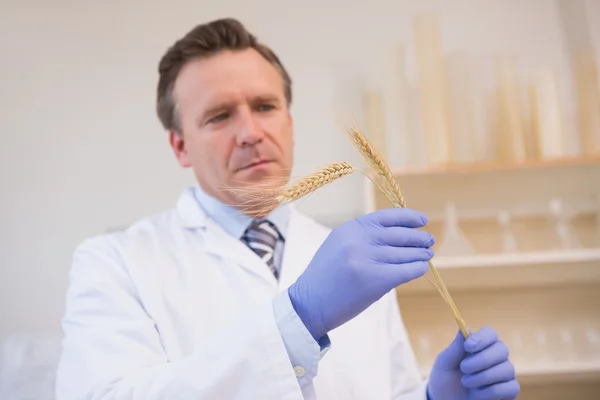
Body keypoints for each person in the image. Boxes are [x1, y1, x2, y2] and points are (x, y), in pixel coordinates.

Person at [55, 17, 520, 400]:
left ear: (290, 122)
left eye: (265, 106)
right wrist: (298, 318)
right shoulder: (113, 262)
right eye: (219, 116)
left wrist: (434, 399)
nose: (251, 132)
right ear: (180, 146)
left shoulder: (353, 255)